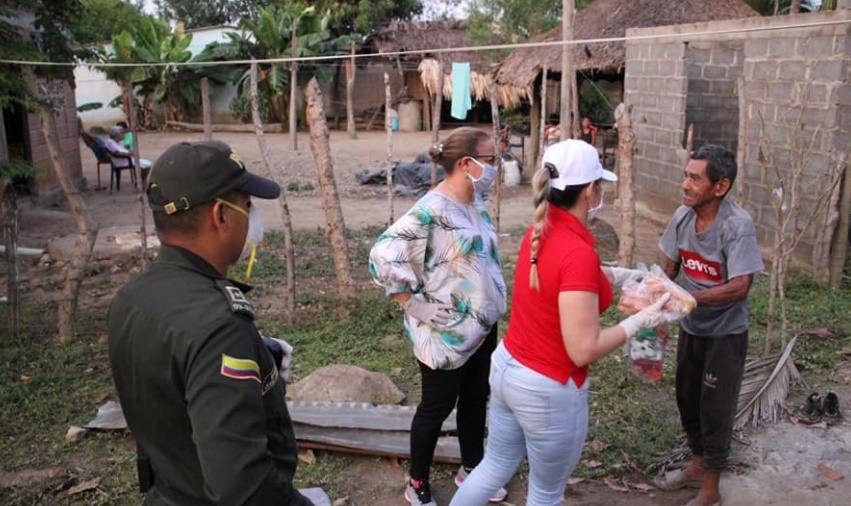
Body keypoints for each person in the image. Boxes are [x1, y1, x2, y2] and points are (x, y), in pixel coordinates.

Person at [450, 139, 671, 506]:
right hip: (546, 388)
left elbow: (561, 278)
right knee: (546, 494)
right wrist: (641, 321)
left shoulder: (540, 231)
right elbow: (582, 349)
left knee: (493, 466)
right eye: (599, 185)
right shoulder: (577, 252)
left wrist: (616, 274)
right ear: (589, 191)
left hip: (508, 368)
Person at [107, 140, 320, 506]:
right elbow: (243, 485)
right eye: (248, 206)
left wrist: (260, 362)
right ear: (221, 215)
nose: (252, 219)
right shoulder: (220, 326)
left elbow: (171, 389)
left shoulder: (131, 298)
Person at [369, 127, 508, 506]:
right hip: (444, 333)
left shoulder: (475, 202)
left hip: (481, 327)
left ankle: (472, 469)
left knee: (476, 398)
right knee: (436, 406)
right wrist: (416, 306)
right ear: (467, 164)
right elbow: (385, 254)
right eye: (492, 159)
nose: (498, 166)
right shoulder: (431, 210)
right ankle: (416, 482)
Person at [656, 145, 764, 506]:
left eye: (695, 178)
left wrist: (689, 299)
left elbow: (740, 286)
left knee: (716, 408)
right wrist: (654, 305)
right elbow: (670, 267)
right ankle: (698, 464)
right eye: (686, 175)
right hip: (692, 328)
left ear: (720, 187)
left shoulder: (737, 225)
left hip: (725, 335)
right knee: (687, 398)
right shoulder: (682, 216)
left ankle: (711, 488)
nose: (685, 184)